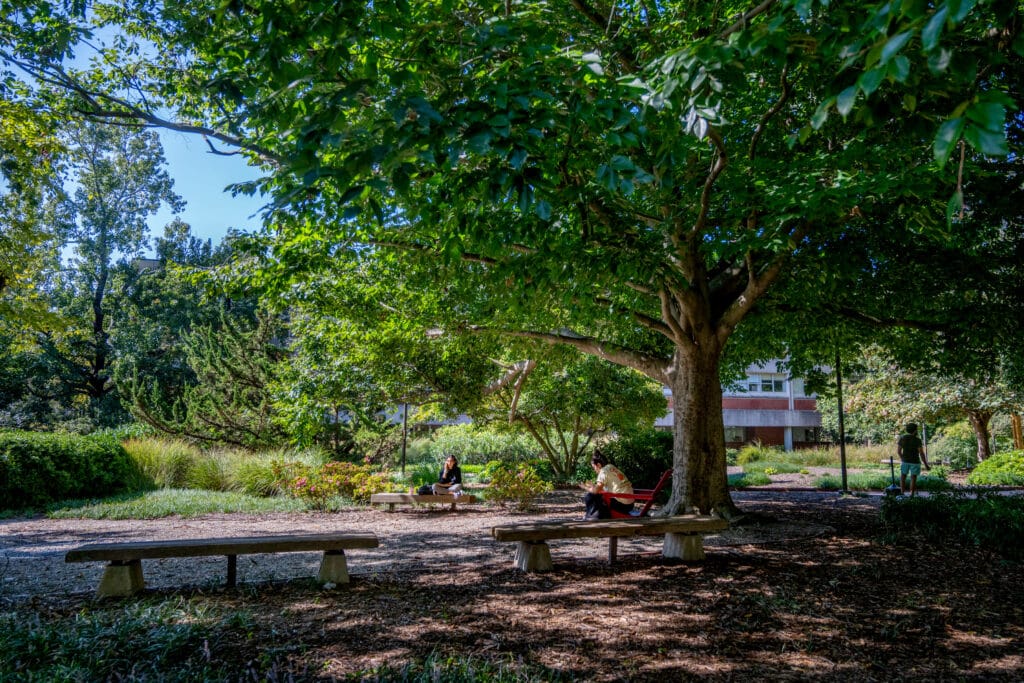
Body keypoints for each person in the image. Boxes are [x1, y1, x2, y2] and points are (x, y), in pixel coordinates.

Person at [580, 450, 634, 519]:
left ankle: (592, 516)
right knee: (597, 495)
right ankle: (593, 515)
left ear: (599, 465)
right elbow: (602, 489)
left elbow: (596, 491)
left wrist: (585, 487)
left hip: (621, 505)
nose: (594, 470)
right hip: (630, 504)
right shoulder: (611, 467)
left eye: (594, 467)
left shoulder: (603, 471)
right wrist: (592, 486)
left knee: (591, 496)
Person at [897, 422, 930, 497]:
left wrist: (903, 459)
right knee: (913, 478)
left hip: (905, 461)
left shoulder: (902, 438)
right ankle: (911, 495)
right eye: (917, 430)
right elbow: (921, 453)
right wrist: (926, 465)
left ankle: (902, 494)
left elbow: (898, 451)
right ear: (915, 430)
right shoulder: (917, 440)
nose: (917, 431)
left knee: (903, 477)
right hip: (915, 462)